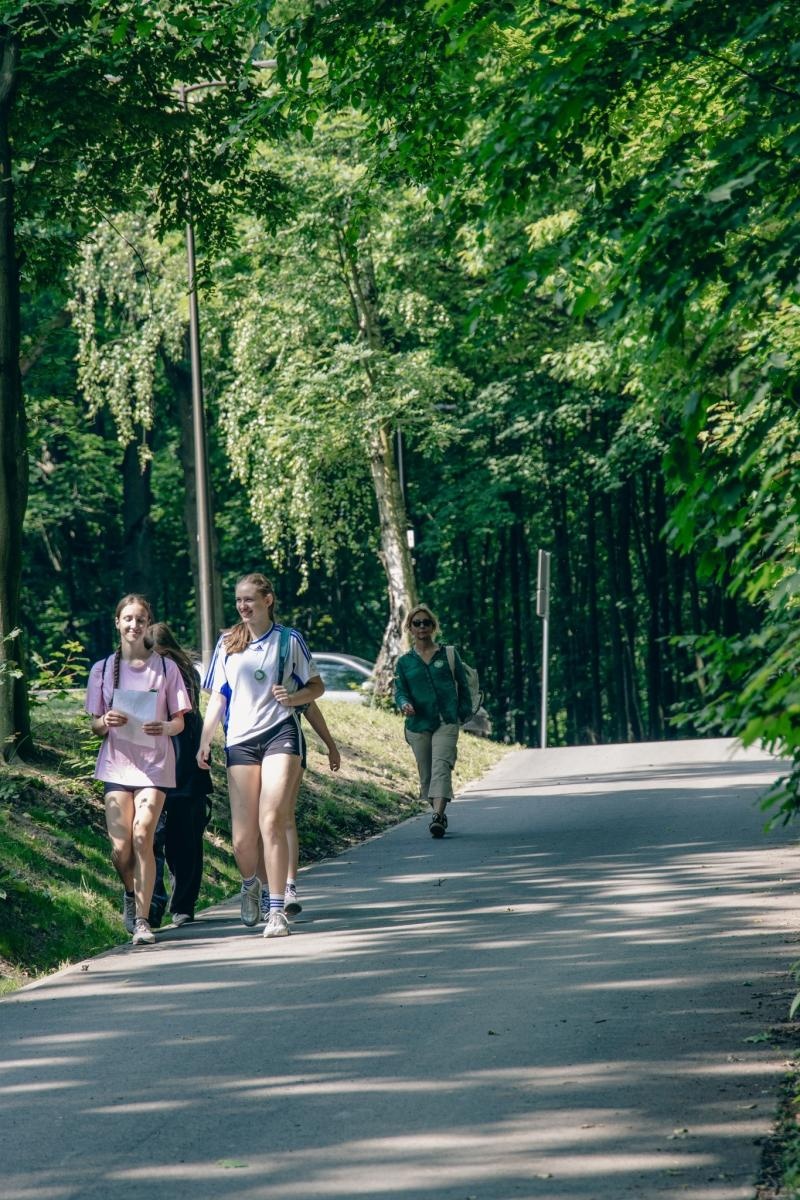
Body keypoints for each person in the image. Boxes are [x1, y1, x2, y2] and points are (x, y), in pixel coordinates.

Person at [197, 573, 325, 938]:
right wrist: (205, 740)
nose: (243, 606)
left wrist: (293, 697)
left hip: (280, 733)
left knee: (272, 820)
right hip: (240, 740)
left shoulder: (289, 640)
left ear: (268, 600)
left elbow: (316, 686)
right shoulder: (227, 643)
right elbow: (218, 697)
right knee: (243, 840)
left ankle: (277, 910)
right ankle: (251, 883)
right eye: (239, 600)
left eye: (249, 599)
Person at [85, 595, 190, 945]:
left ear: (148, 624)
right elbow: (95, 725)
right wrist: (105, 720)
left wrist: (165, 727)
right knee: (121, 849)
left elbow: (179, 722)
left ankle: (143, 921)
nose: (134, 625)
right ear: (117, 622)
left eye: (140, 619)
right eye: (128, 619)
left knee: (143, 834)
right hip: (117, 766)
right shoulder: (102, 669)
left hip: (154, 766)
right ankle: (130, 893)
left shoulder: (166, 668)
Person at [149, 622, 213, 928]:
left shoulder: (182, 674)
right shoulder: (155, 672)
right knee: (164, 840)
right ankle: (165, 905)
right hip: (170, 766)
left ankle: (174, 905)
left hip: (180, 765)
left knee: (176, 840)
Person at [255, 700, 341, 921]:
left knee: (282, 817)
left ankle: (288, 887)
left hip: (285, 743)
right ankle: (264, 890)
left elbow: (309, 705)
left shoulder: (288, 678)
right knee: (257, 821)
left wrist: (331, 746)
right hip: (246, 746)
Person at [394, 604, 472, 838]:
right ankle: (438, 810)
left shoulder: (448, 654)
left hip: (446, 720)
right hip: (418, 724)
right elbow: (400, 691)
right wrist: (404, 704)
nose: (422, 627)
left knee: (441, 766)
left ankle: (437, 816)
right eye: (416, 623)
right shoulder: (405, 662)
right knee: (426, 775)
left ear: (433, 626)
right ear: (409, 628)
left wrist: (462, 712)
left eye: (426, 623)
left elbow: (463, 685)